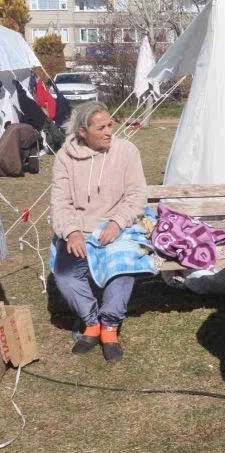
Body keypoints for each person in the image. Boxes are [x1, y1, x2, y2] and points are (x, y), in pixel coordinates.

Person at [50, 102, 147, 363]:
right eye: (101, 128)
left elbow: (137, 195)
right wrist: (71, 232)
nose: (109, 132)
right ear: (82, 132)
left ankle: (110, 327)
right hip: (80, 227)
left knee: (124, 267)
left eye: (110, 125)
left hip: (118, 225)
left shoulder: (126, 151)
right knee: (65, 275)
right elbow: (60, 202)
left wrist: (117, 222)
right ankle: (91, 322)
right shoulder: (65, 157)